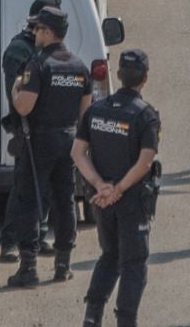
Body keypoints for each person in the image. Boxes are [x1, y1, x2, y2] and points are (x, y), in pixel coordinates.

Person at [5, 4, 95, 288]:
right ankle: (63, 265)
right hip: (68, 140)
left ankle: (28, 268)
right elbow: (85, 113)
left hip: (39, 142)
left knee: (30, 201)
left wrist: (16, 87)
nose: (34, 33)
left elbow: (23, 107)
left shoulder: (38, 64)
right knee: (65, 200)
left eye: (37, 29)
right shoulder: (80, 66)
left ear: (47, 31)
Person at [73, 48, 161, 327]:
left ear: (119, 75)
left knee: (109, 257)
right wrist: (119, 189)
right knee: (134, 264)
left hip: (101, 201)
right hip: (131, 201)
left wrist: (100, 186)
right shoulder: (146, 115)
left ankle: (91, 318)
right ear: (144, 79)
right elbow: (145, 163)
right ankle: (126, 321)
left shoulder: (95, 110)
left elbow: (77, 153)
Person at [0, 0, 64, 262]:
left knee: (45, 187)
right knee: (23, 188)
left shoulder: (51, 47)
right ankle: (10, 241)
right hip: (28, 126)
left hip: (51, 127)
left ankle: (38, 235)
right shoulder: (19, 49)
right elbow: (15, 93)